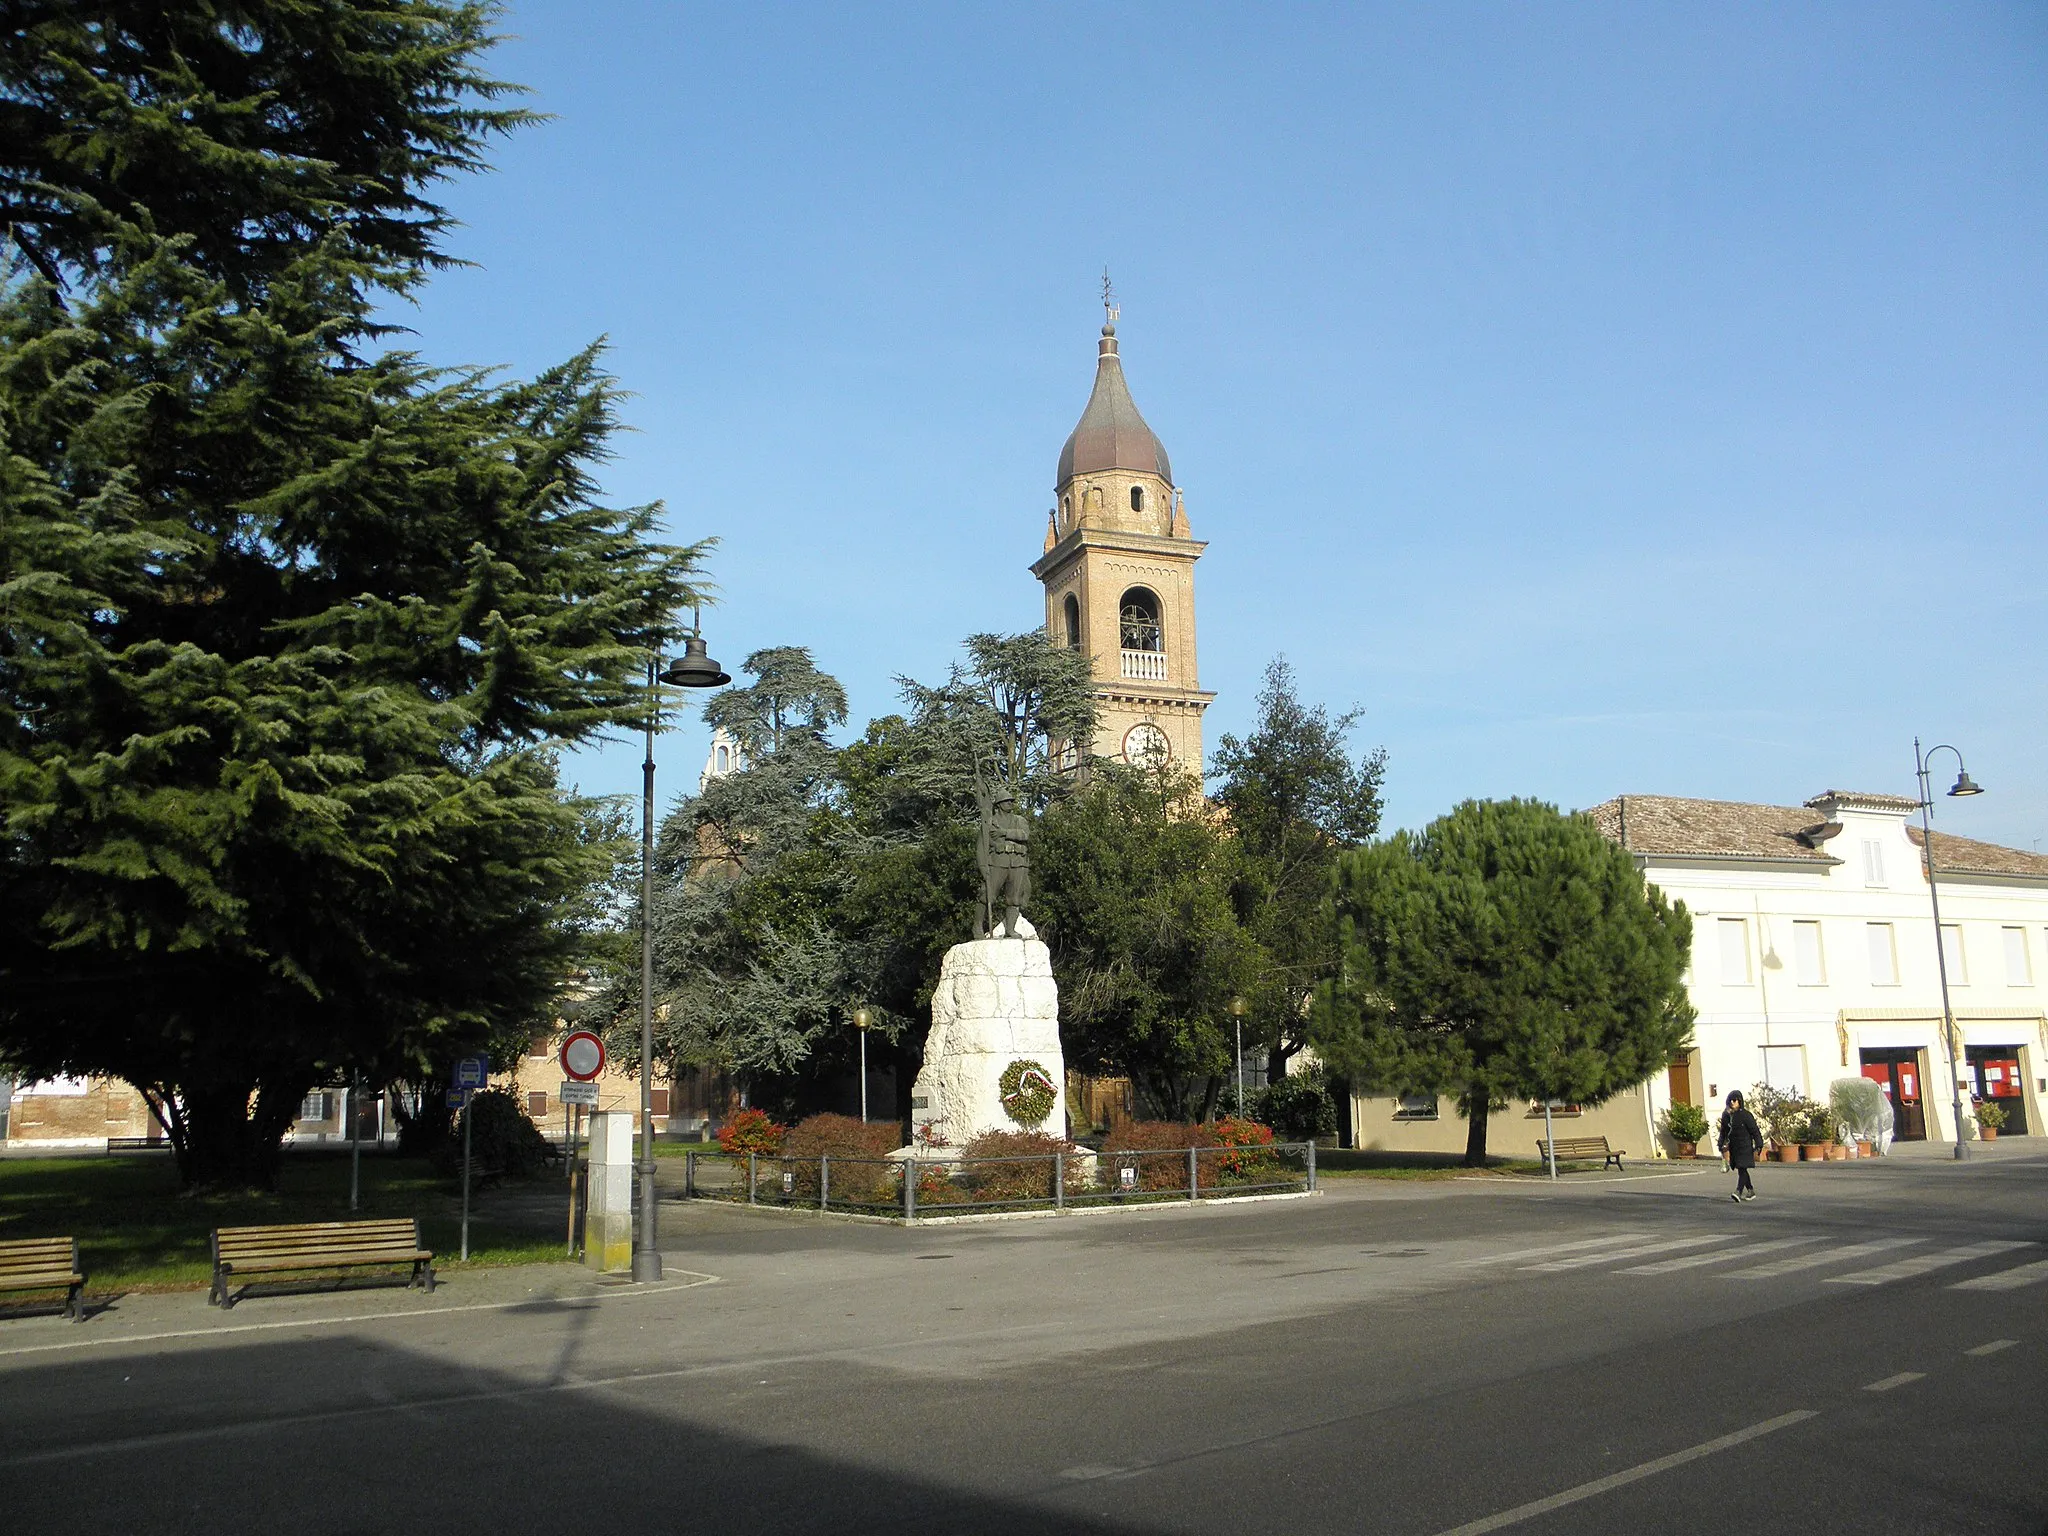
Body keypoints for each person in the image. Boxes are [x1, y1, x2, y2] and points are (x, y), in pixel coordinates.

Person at [1719, 1090, 1763, 1202]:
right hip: (1734, 1146)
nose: (1732, 1102)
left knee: (1742, 1168)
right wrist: (1721, 1144)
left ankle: (1738, 1191)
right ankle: (1750, 1190)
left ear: (1740, 1101)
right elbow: (1723, 1132)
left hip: (1745, 1146)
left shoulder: (1746, 1115)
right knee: (1741, 1169)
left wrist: (1759, 1144)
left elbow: (1754, 1131)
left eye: (1735, 1100)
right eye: (1730, 1101)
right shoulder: (1727, 1116)